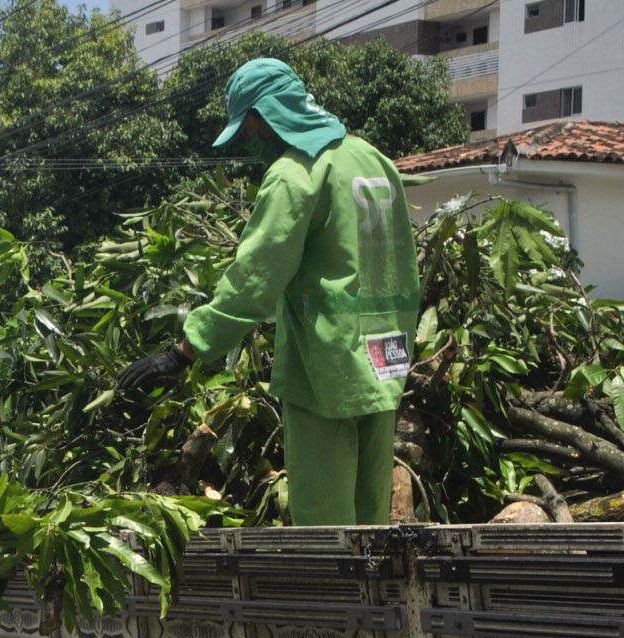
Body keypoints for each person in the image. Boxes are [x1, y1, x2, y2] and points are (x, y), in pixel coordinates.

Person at [118, 58, 420, 527]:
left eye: (248, 126)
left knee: (330, 529)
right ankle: (374, 603)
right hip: (386, 358)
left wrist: (184, 351)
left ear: (267, 114)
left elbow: (254, 281)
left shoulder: (294, 174)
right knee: (371, 521)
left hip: (329, 366)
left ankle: (336, 602)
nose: (247, 140)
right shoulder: (371, 158)